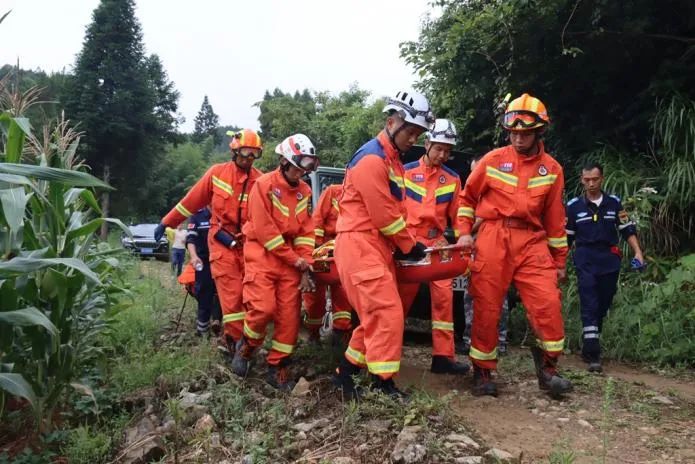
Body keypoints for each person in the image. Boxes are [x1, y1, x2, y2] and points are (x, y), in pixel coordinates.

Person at [457, 93, 573, 398]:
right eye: (513, 133)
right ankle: (482, 372)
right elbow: (467, 198)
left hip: (532, 240)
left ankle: (548, 370)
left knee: (547, 303)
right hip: (493, 235)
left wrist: (560, 261)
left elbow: (555, 221)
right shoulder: (492, 160)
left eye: (525, 134)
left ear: (539, 132)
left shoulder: (552, 170)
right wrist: (464, 233)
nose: (518, 138)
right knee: (486, 306)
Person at [332, 90, 432, 400]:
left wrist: (405, 244)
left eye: (417, 134)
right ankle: (382, 383)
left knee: (375, 315)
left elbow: (394, 212)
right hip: (361, 244)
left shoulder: (391, 160)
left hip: (373, 245)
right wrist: (409, 245)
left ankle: (346, 374)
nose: (413, 139)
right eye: (410, 132)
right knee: (387, 313)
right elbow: (383, 215)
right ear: (392, 122)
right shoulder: (372, 160)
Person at [154, 129, 263, 356]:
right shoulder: (217, 174)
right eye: (245, 153)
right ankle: (235, 341)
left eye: (254, 154)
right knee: (232, 294)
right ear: (235, 151)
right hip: (221, 242)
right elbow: (190, 202)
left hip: (248, 243)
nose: (249, 159)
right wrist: (166, 222)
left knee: (251, 293)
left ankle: (246, 339)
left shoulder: (261, 181)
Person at [230, 134, 319, 391]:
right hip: (262, 255)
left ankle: (278, 365)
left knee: (289, 318)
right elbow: (265, 231)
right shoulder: (264, 185)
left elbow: (306, 231)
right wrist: (296, 260)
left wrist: (306, 261)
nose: (301, 174)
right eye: (297, 168)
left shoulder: (304, 191)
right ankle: (247, 347)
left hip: (290, 260)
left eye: (304, 170)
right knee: (262, 309)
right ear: (284, 161)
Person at [397, 118, 469, 375]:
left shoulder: (452, 179)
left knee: (444, 298)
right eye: (439, 148)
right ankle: (388, 350)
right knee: (400, 300)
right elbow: (393, 208)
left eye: (447, 151)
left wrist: (463, 236)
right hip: (409, 242)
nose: (442, 155)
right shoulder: (404, 172)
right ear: (427, 144)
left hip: (437, 242)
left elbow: (459, 216)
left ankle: (443, 357)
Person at [566, 162, 644, 373]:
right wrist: (559, 265)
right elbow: (567, 240)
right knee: (589, 302)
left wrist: (638, 252)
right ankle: (593, 353)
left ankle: (589, 340)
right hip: (585, 258)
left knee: (604, 301)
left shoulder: (614, 203)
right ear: (582, 180)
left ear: (602, 179)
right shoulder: (573, 206)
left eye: (595, 179)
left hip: (609, 259)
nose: (591, 184)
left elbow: (627, 229)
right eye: (587, 180)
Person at [459, 155, 511, 356]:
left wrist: (469, 228)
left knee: (498, 295)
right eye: (473, 172)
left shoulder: (498, 192)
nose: (476, 175)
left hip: (495, 247)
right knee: (471, 294)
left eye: (479, 171)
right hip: (472, 249)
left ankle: (500, 341)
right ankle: (469, 339)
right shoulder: (471, 193)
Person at [302, 183, 353, 345]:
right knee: (315, 295)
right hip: (323, 251)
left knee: (344, 294)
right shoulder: (333, 192)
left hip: (345, 252)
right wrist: (318, 247)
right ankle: (313, 333)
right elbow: (317, 219)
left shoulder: (363, 196)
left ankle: (340, 334)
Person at [186, 206, 222, 337]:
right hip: (204, 262)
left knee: (224, 293)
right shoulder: (197, 216)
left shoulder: (225, 213)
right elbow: (191, 240)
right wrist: (194, 256)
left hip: (223, 262)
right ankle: (202, 329)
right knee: (203, 293)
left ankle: (219, 322)